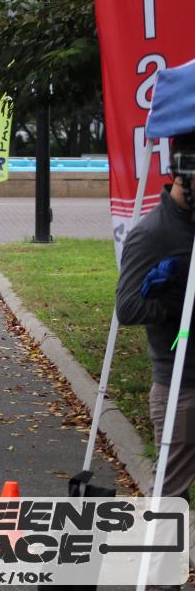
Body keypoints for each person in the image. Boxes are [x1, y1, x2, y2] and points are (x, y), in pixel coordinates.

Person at [117, 132, 195, 529]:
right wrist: (178, 304)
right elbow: (128, 307)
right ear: (184, 173)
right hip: (182, 388)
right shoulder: (152, 234)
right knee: (169, 501)